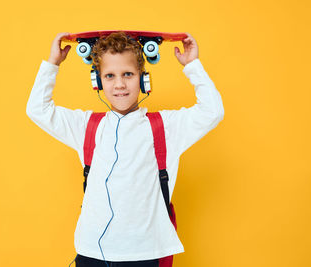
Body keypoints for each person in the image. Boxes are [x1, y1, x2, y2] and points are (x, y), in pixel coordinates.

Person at [26, 31, 224, 267]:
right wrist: (52, 64)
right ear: (98, 81)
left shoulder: (166, 127)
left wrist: (193, 66)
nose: (119, 84)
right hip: (92, 251)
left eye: (128, 74)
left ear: (142, 78)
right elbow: (37, 109)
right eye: (109, 76)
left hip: (146, 253)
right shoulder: (87, 126)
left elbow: (213, 111)